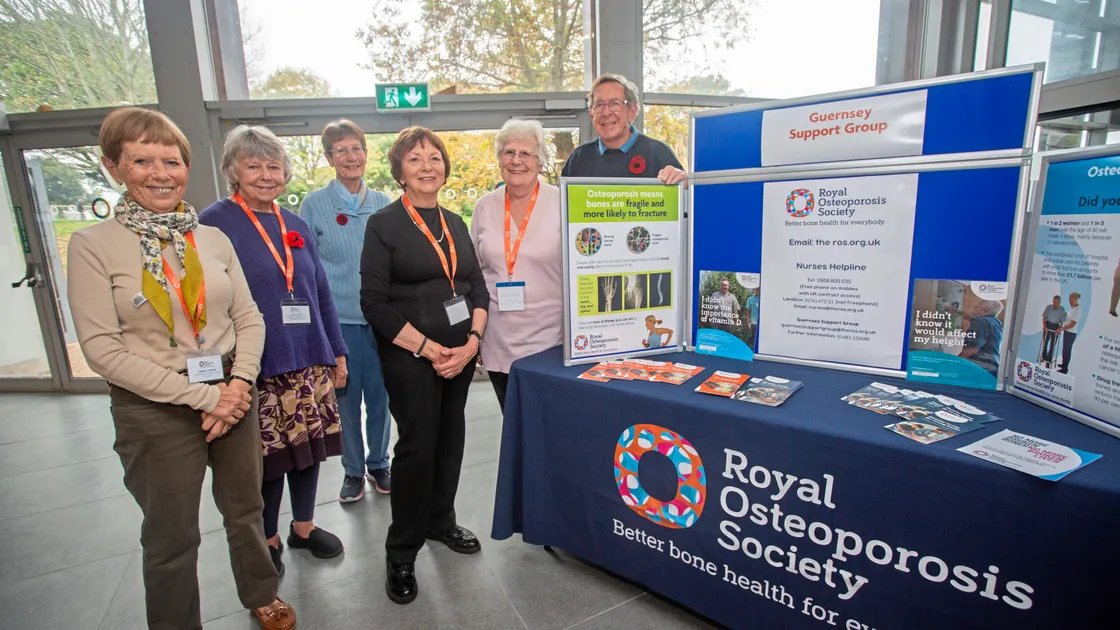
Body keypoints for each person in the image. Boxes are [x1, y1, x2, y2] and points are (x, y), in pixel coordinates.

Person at [67, 108, 296, 630]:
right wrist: (207, 399)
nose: (161, 172)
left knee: (244, 510)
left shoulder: (212, 240)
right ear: (114, 167)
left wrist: (237, 386)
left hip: (233, 390)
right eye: (142, 160)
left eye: (172, 160)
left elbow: (250, 319)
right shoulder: (93, 246)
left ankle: (261, 591)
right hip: (154, 407)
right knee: (172, 535)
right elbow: (103, 351)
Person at [200, 125, 347, 578]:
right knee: (267, 462)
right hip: (254, 365)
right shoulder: (213, 222)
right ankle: (268, 537)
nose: (266, 174)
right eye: (254, 165)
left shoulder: (295, 223)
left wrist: (337, 351)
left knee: (309, 450)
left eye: (274, 165)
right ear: (232, 170)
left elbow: (320, 292)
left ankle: (304, 526)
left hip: (309, 357)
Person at [360, 126, 490, 605]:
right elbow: (373, 302)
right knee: (417, 449)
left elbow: (475, 286)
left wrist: (472, 342)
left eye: (434, 157)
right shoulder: (384, 224)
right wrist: (431, 350)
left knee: (450, 439)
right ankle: (401, 552)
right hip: (411, 357)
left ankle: (441, 521)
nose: (427, 165)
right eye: (415, 159)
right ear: (399, 170)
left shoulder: (454, 222)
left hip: (459, 356)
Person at [300, 119, 394, 502]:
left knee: (380, 397)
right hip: (339, 322)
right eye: (341, 150)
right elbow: (305, 268)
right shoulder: (314, 205)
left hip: (382, 321)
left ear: (366, 154)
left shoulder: (384, 203)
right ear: (329, 157)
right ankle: (353, 470)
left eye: (357, 148)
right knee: (346, 399)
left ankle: (379, 464)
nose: (351, 157)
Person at [470, 119, 562, 411]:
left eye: (526, 154)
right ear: (499, 160)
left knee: (548, 428)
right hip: (498, 340)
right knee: (513, 428)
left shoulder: (563, 203)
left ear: (540, 162)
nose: (516, 161)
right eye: (509, 153)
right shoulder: (484, 205)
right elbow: (474, 273)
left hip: (550, 342)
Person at [561, 73, 686, 184]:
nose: (606, 113)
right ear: (591, 114)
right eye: (599, 105)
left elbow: (682, 203)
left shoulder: (658, 154)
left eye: (614, 103)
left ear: (632, 111)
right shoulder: (579, 158)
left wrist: (683, 184)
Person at [958, 299, 1004, 378]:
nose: (974, 308)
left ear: (984, 309)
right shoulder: (996, 322)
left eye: (976, 307)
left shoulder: (980, 322)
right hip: (992, 369)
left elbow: (972, 349)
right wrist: (956, 312)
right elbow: (971, 317)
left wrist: (956, 361)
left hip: (978, 369)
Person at [1059, 292, 1081, 374]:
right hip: (1067, 331)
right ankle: (1063, 364)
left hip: (1071, 333)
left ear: (1075, 300)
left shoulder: (1077, 310)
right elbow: (1069, 317)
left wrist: (1062, 328)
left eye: (1071, 301)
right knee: (1064, 350)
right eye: (1069, 301)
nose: (1070, 302)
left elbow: (1072, 324)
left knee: (1067, 351)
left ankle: (1065, 369)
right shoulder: (1072, 308)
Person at [1041, 295, 1066, 364]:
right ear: (1053, 301)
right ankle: (1044, 356)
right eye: (1055, 302)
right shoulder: (1048, 307)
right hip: (1048, 324)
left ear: (1060, 302)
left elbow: (1062, 321)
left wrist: (1059, 329)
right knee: (1045, 342)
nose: (1056, 304)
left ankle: (1049, 359)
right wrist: (1044, 326)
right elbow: (1044, 317)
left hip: (1055, 326)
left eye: (1058, 303)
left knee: (1053, 344)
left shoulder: (1062, 309)